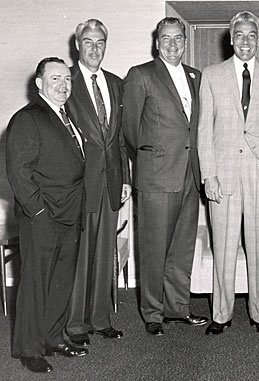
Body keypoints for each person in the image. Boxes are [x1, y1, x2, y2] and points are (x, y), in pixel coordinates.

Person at [199, 11, 259, 335]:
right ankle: (221, 314)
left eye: (251, 35)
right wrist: (208, 175)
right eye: (239, 34)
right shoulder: (211, 75)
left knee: (258, 247)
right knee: (223, 248)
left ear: (258, 38)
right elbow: (203, 130)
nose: (245, 41)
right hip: (222, 175)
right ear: (230, 38)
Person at [122, 17, 208, 336]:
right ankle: (152, 313)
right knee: (154, 248)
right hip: (157, 175)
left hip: (190, 174)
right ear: (157, 43)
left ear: (185, 42)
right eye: (166, 39)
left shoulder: (195, 76)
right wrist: (152, 157)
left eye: (178, 39)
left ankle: (177, 308)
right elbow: (130, 130)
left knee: (182, 247)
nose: (173, 45)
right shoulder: (141, 75)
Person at [6, 57, 88, 373]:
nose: (63, 85)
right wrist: (38, 211)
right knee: (35, 284)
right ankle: (29, 348)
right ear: (39, 83)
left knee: (61, 282)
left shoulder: (67, 116)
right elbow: (18, 172)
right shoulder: (28, 118)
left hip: (70, 213)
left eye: (67, 79)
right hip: (42, 217)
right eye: (55, 79)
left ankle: (53, 338)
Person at [65, 19, 131, 346]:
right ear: (78, 45)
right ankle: (75, 324)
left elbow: (119, 137)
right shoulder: (67, 81)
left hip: (112, 182)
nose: (94, 48)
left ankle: (100, 318)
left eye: (100, 42)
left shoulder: (117, 84)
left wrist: (127, 179)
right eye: (88, 42)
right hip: (79, 183)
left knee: (106, 253)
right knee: (79, 256)